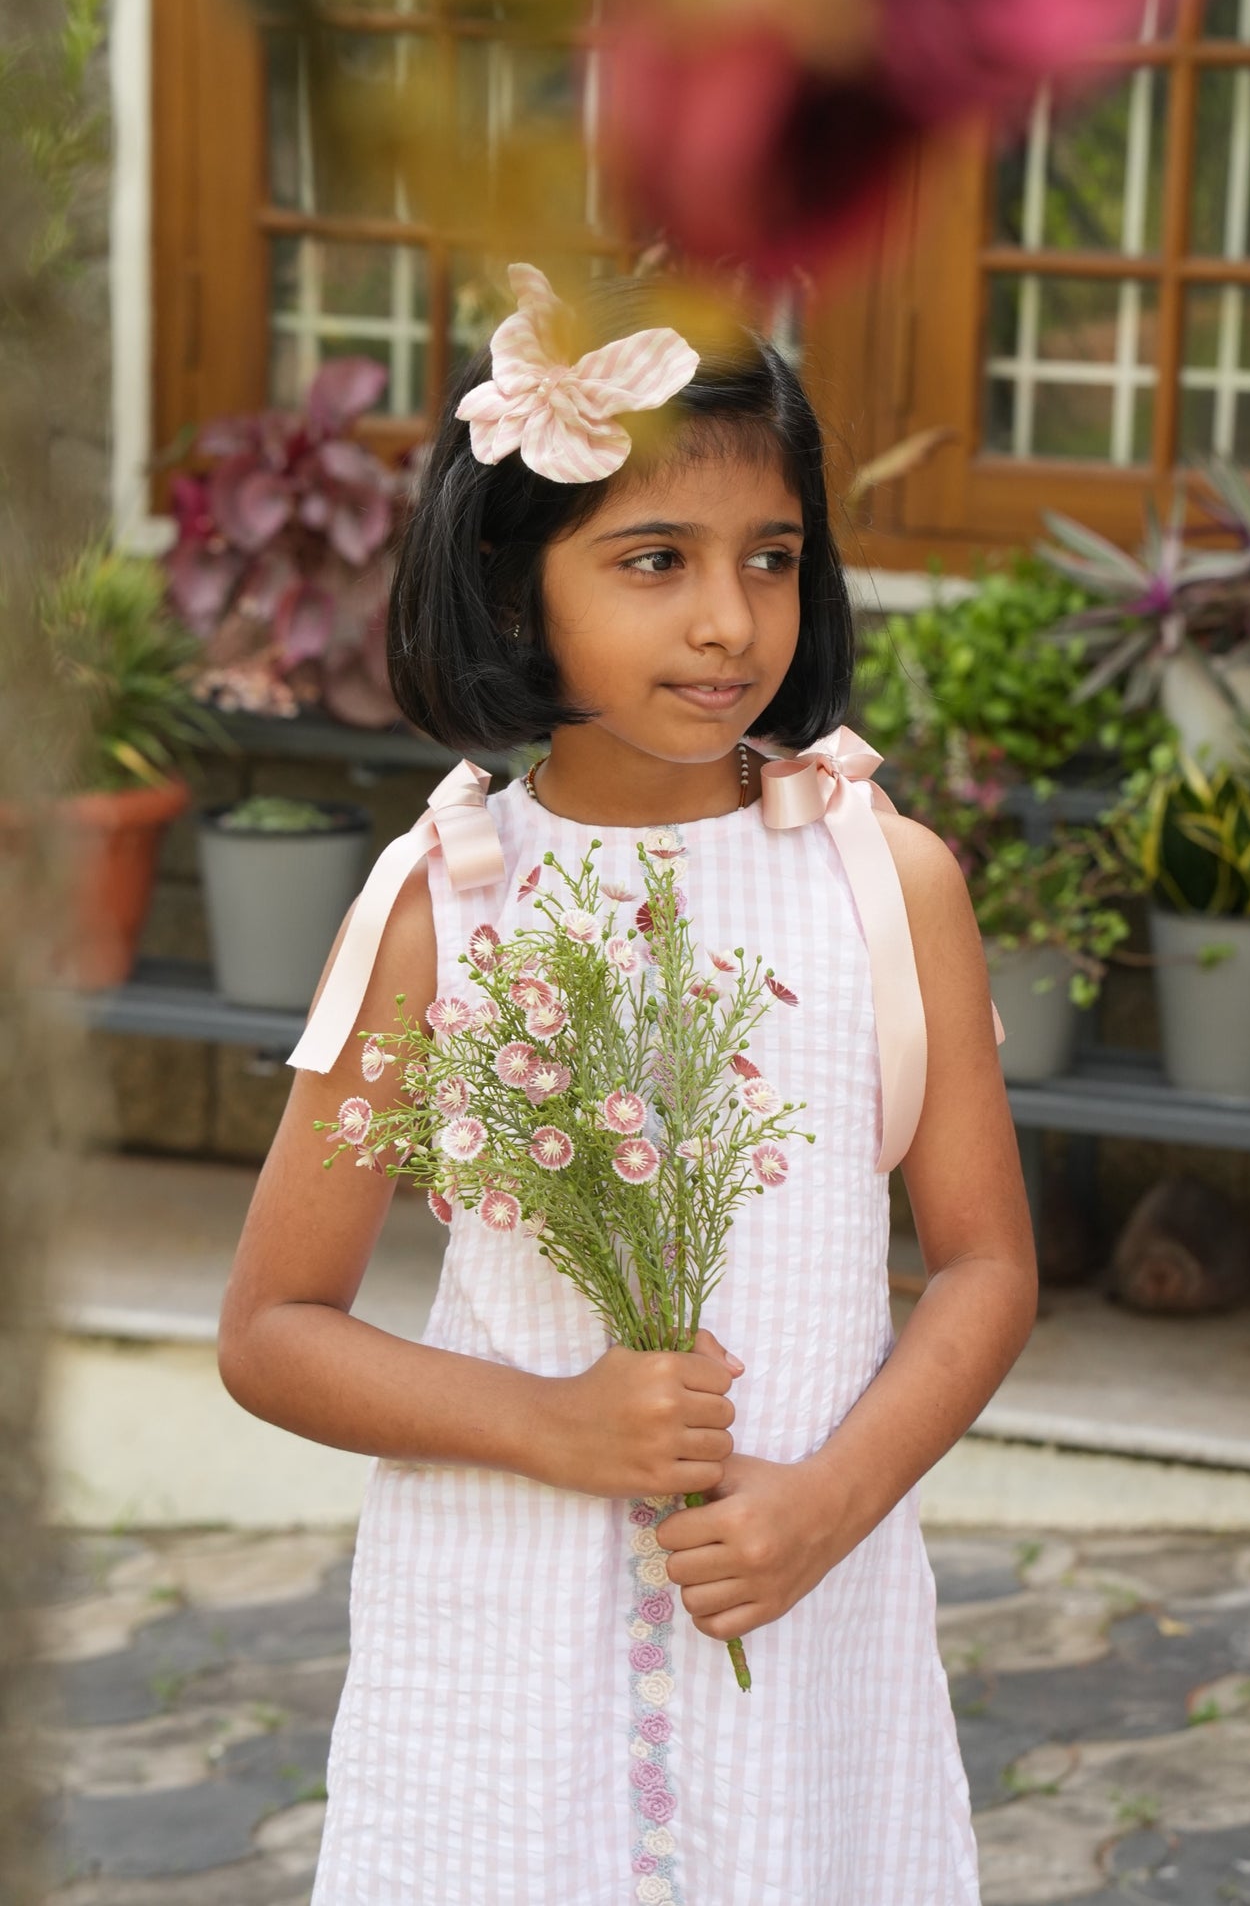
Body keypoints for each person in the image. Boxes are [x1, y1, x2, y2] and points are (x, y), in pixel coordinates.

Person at [219, 264, 1036, 1906]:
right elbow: (271, 1330)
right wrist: (549, 1422)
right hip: (499, 1657)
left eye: (770, 557)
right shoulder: (440, 907)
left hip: (802, 1625)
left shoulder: (887, 884)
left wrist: (828, 1504)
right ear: (515, 591)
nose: (728, 619)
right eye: (655, 559)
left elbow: (986, 1267)